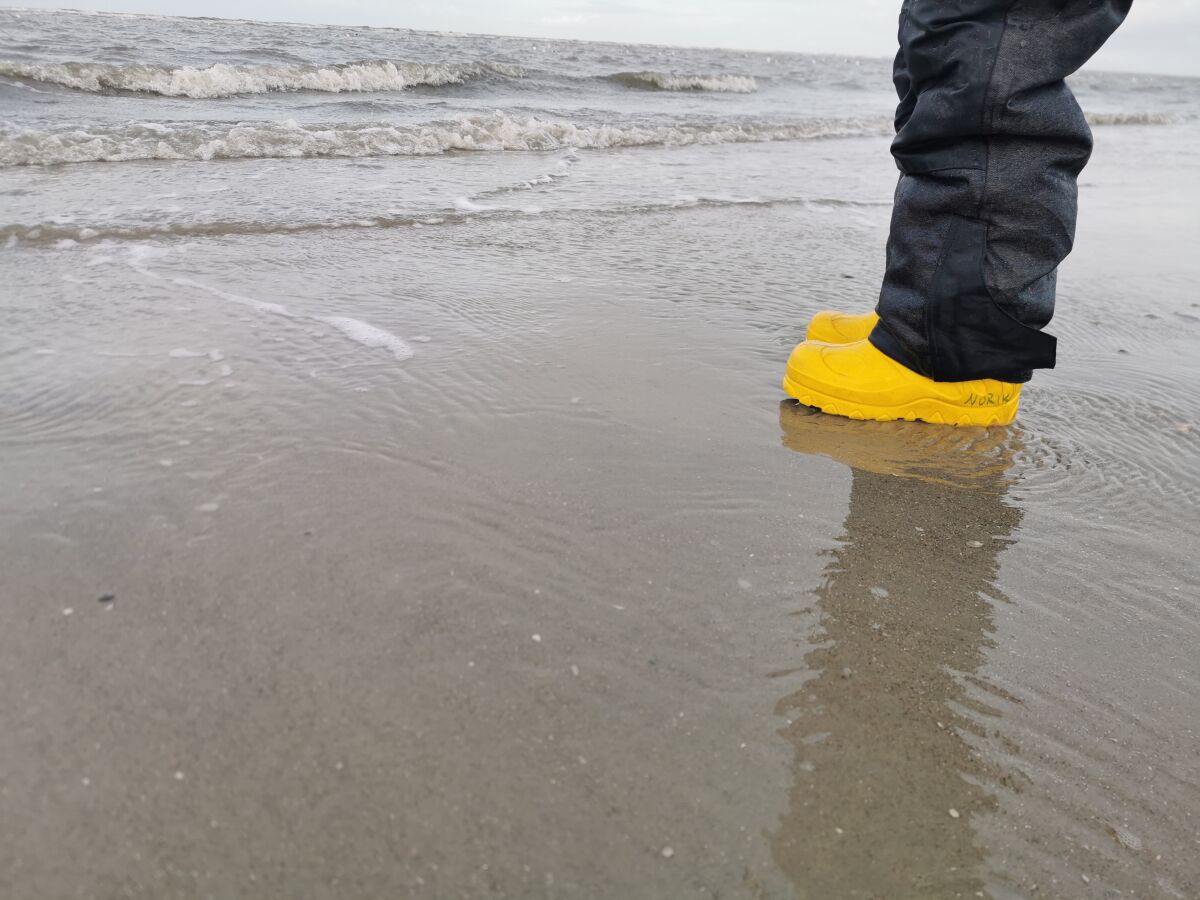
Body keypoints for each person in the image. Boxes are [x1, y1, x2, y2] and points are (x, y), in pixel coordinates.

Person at [782, 0, 1134, 426]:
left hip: (953, 349)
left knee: (987, 53)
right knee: (940, 48)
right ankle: (918, 309)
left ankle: (955, 349)